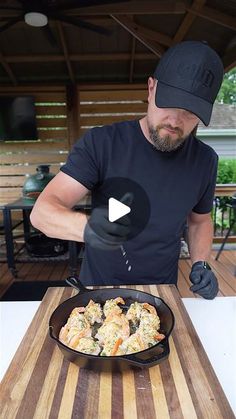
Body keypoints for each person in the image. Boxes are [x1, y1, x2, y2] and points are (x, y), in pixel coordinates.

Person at [30, 40, 224, 299]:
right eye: (170, 103)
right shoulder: (102, 144)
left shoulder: (205, 160)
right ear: (151, 88)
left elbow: (199, 220)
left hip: (162, 293)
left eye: (190, 112)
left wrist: (201, 263)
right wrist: (94, 230)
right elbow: (42, 213)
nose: (175, 121)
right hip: (99, 291)